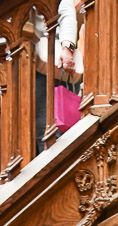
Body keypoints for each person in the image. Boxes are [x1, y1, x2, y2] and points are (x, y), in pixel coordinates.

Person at [33, 0, 79, 154]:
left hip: (50, 63)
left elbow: (66, 13)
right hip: (25, 64)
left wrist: (67, 48)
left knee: (50, 128)